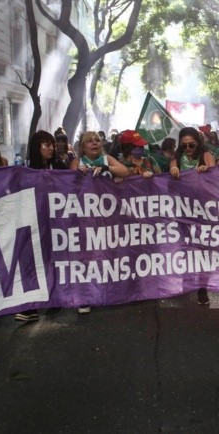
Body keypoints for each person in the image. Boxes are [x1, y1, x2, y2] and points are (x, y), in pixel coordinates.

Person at [70, 131, 128, 313]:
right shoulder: (76, 163)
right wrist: (79, 176)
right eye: (89, 141)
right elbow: (66, 184)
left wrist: (107, 169)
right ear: (82, 146)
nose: (94, 143)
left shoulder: (107, 159)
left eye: (97, 140)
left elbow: (125, 171)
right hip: (85, 217)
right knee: (85, 257)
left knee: (109, 253)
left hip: (107, 217)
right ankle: (84, 296)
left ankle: (110, 292)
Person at [15, 130, 65, 322]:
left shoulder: (60, 167)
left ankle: (57, 296)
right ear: (37, 148)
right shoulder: (25, 170)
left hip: (57, 222)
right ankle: (32, 307)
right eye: (46, 144)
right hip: (34, 223)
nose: (51, 148)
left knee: (57, 260)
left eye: (52, 144)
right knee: (34, 262)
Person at [169, 127, 219, 305]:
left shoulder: (205, 155)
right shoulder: (177, 158)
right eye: (184, 146)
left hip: (205, 211)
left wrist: (208, 170)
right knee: (185, 248)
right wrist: (174, 171)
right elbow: (172, 169)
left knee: (205, 250)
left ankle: (202, 287)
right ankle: (186, 282)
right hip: (183, 210)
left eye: (191, 145)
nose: (188, 148)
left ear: (198, 143)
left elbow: (216, 176)